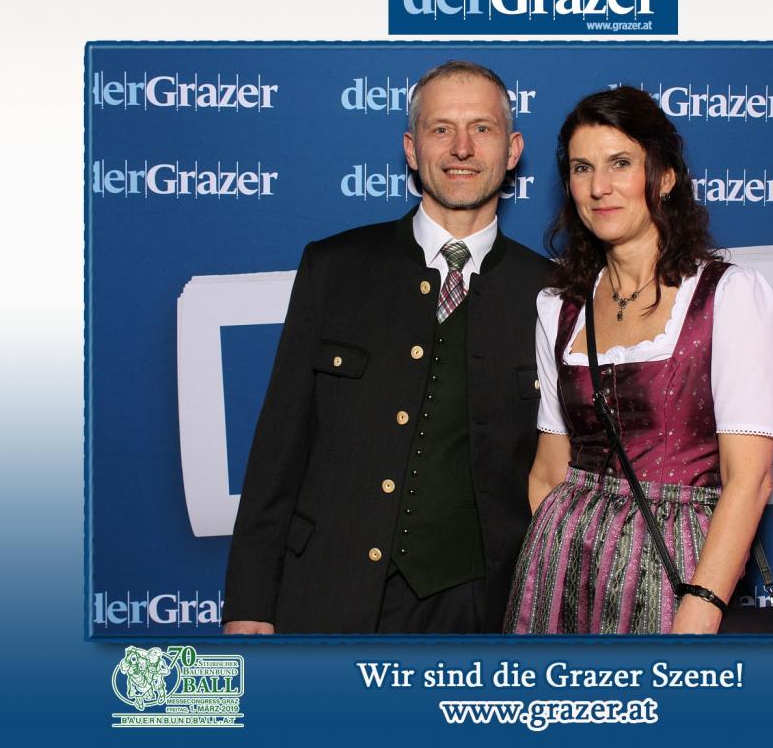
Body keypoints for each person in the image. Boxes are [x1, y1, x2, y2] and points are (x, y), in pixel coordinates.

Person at [222, 61, 552, 634]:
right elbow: (280, 444)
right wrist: (250, 600)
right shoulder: (336, 269)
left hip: (483, 613)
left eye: (482, 128)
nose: (462, 148)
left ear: (513, 150)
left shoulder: (551, 293)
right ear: (411, 148)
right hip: (331, 594)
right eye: (441, 128)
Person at [504, 86, 773, 635]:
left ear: (665, 177)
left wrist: (701, 606)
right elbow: (549, 470)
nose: (599, 187)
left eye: (620, 163)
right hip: (562, 564)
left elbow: (749, 479)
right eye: (582, 168)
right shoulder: (558, 307)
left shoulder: (728, 296)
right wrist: (552, 566)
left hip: (677, 568)